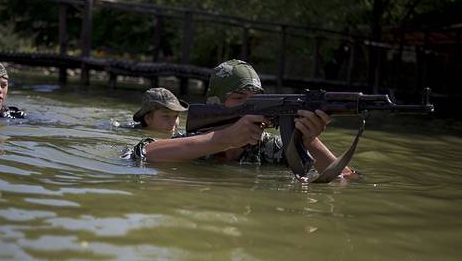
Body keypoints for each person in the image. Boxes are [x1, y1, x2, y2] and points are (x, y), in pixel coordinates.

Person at [124, 59, 355, 178]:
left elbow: (346, 180)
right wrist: (225, 139)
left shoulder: (269, 147)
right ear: (215, 103)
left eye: (256, 99)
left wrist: (306, 140)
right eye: (239, 98)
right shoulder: (188, 142)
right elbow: (141, 154)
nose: (249, 106)